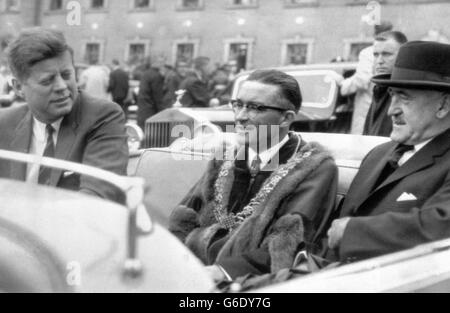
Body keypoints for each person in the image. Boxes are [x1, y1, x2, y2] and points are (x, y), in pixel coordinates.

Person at [169, 69, 338, 283]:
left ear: (286, 118)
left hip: (247, 283)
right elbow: (185, 218)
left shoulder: (314, 167)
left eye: (255, 108)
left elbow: (288, 246)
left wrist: (222, 272)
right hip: (190, 272)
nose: (240, 117)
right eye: (238, 104)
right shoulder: (224, 158)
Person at [327, 41, 450, 263]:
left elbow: (442, 225)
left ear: (443, 106)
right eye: (392, 95)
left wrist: (352, 232)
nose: (391, 110)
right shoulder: (378, 154)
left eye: (404, 98)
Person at [0, 28, 128, 203]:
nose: (62, 86)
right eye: (47, 80)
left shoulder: (103, 116)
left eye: (67, 74)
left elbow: (97, 197)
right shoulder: (5, 122)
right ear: (18, 88)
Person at [334, 21, 393, 135]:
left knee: (364, 140)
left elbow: (361, 80)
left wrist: (343, 84)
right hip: (386, 105)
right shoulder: (395, 51)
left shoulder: (368, 53)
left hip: (368, 106)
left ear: (375, 34)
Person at [363, 31, 408, 137]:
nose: (379, 61)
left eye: (386, 54)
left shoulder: (405, 92)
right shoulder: (380, 87)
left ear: (403, 55)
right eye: (376, 55)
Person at [136, 58, 164, 130]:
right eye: (161, 62)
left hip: (142, 109)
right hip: (151, 111)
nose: (162, 65)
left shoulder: (145, 73)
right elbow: (157, 96)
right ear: (156, 63)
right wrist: (162, 111)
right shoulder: (157, 76)